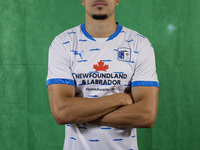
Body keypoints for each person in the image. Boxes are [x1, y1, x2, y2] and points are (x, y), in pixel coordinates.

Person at [46, 0, 159, 149]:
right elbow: (62, 111)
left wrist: (80, 112)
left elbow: (146, 115)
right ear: (82, 0)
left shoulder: (139, 44)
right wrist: (121, 98)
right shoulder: (63, 43)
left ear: (117, 0)